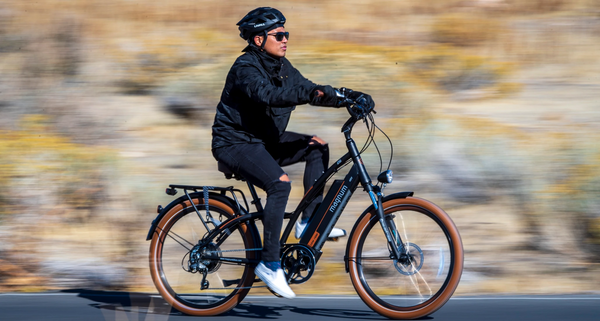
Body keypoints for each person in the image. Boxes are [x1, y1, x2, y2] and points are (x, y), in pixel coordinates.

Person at [211, 7, 374, 298]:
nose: (286, 39)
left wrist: (349, 97)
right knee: (279, 183)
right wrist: (306, 94)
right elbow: (268, 95)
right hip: (234, 143)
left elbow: (311, 89)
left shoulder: (281, 66)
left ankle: (307, 221)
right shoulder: (245, 68)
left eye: (287, 34)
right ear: (259, 40)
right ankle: (270, 264)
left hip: (263, 140)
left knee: (317, 146)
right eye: (279, 35)